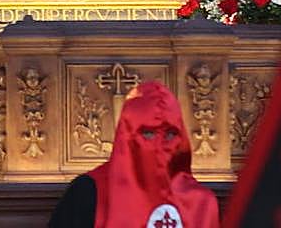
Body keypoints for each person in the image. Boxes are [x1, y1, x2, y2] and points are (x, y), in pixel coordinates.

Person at [49, 81, 219, 228]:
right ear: (126, 135)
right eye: (148, 134)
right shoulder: (89, 192)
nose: (160, 146)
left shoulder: (201, 202)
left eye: (170, 135)